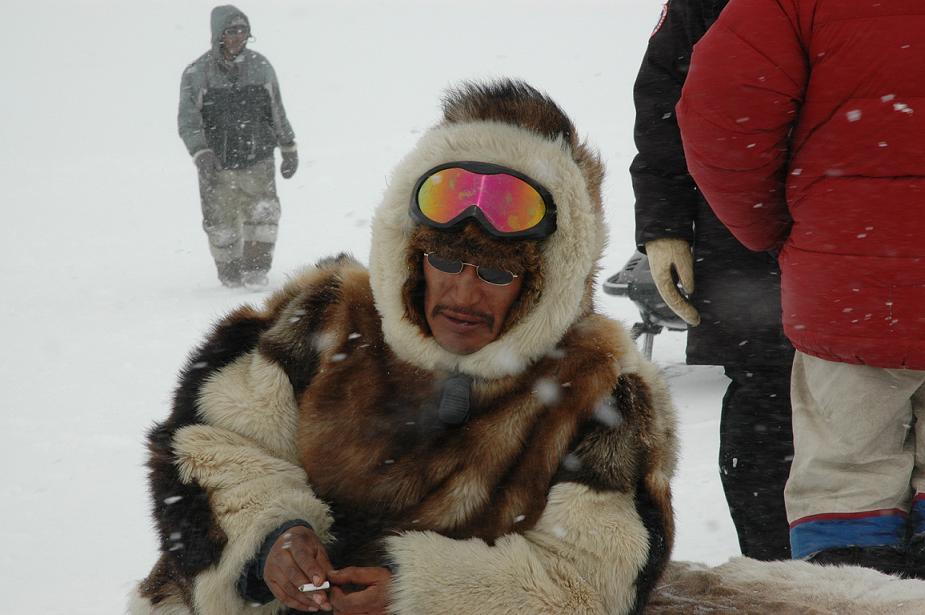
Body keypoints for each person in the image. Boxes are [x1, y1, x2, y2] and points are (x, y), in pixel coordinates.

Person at [130, 79, 679, 615]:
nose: (463, 294)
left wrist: (425, 593)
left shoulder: (600, 386)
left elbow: (593, 580)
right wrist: (271, 538)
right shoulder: (326, 315)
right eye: (443, 262)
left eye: (494, 272)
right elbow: (210, 446)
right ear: (412, 255)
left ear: (545, 281)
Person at [677, 0, 925, 577]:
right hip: (845, 280)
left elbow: (720, 111)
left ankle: (849, 591)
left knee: (847, 492)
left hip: (848, 293)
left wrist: (769, 228)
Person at [630, 0, 793, 561]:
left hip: (884, 238)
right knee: (765, 404)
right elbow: (663, 104)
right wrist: (664, 225)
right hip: (746, 235)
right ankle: (778, 580)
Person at [178, 5, 299, 289]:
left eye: (242, 30)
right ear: (218, 34)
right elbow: (188, 121)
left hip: (258, 159)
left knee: (264, 214)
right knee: (221, 223)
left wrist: (288, 146)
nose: (237, 36)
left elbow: (276, 110)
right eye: (231, 31)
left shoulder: (261, 67)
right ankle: (229, 273)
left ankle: (256, 271)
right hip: (217, 165)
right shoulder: (197, 74)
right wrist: (201, 152)